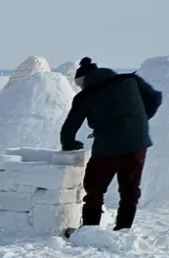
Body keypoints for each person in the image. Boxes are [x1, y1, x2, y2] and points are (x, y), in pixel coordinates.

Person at [60, 57, 162, 231]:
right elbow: (155, 99)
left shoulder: (86, 95)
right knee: (130, 188)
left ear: (83, 80)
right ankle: (123, 230)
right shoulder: (130, 80)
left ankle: (89, 230)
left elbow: (70, 127)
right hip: (138, 143)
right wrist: (139, 120)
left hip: (108, 146)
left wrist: (69, 145)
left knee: (95, 188)